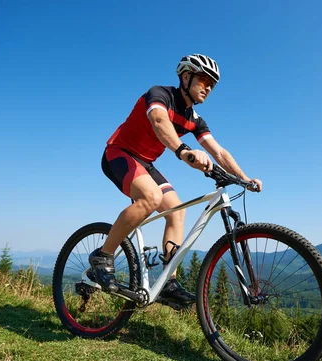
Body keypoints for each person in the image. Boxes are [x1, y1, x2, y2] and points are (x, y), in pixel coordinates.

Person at [88, 54, 263, 308]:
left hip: (145, 163)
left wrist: (244, 178)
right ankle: (103, 256)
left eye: (212, 85)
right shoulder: (160, 94)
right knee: (152, 198)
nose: (208, 88)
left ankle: (168, 282)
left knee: (176, 212)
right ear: (185, 76)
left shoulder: (194, 120)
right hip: (119, 153)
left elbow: (219, 152)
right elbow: (159, 121)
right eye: (204, 80)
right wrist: (183, 151)